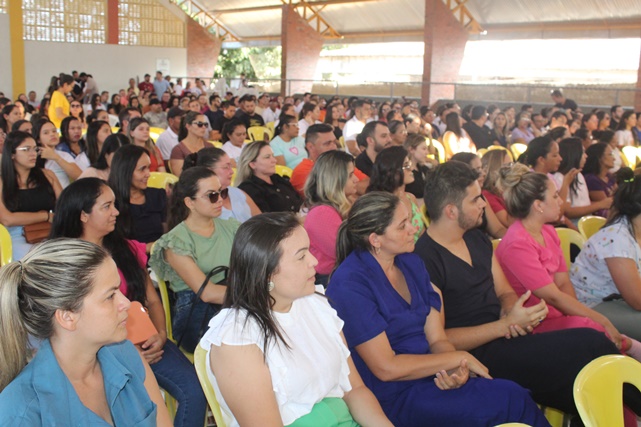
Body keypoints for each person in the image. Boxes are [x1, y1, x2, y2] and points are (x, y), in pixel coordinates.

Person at [414, 160, 641, 416]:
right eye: (476, 199)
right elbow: (441, 338)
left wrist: (512, 311)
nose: (484, 204)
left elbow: (505, 292)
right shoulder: (425, 259)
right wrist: (503, 325)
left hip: (507, 337)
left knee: (590, 354)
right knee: (588, 348)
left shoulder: (476, 238)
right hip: (477, 354)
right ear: (451, 211)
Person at [327, 192, 549, 427]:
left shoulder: (410, 262)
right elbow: (386, 368)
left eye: (410, 219)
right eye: (403, 226)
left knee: (513, 394)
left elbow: (437, 339)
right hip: (394, 397)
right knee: (510, 401)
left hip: (431, 379)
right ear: (375, 239)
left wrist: (455, 370)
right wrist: (455, 358)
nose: (414, 228)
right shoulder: (350, 284)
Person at [200, 213, 393, 427]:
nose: (314, 261)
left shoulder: (314, 303)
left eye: (309, 251)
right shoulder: (237, 339)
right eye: (301, 256)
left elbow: (354, 389)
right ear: (267, 274)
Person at [50, 178, 207, 426]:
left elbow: (153, 301)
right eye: (107, 206)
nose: (116, 211)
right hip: (98, 351)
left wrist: (161, 334)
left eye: (115, 204)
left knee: (194, 391)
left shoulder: (126, 249)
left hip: (147, 342)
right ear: (83, 215)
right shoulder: (64, 262)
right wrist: (126, 350)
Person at [0, 239, 172, 426]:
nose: (126, 303)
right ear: (67, 317)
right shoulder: (21, 413)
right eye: (110, 296)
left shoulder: (126, 355)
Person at [495, 165, 641, 355]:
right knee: (597, 332)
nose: (561, 201)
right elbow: (552, 296)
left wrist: (579, 315)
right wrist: (598, 319)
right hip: (535, 321)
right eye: (555, 196)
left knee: (592, 327)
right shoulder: (517, 244)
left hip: (558, 311)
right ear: (538, 205)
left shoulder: (547, 231)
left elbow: (563, 283)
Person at [149, 167, 239, 353]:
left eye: (222, 192)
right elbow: (206, 293)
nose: (220, 199)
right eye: (212, 196)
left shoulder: (232, 228)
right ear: (189, 202)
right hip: (198, 315)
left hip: (231, 304)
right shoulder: (176, 241)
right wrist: (256, 294)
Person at [0, 131, 62, 261]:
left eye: (35, 149)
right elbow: (7, 219)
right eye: (26, 149)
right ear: (12, 154)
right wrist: (45, 215)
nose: (33, 153)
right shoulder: (2, 182)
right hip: (17, 235)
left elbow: (64, 205)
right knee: (38, 260)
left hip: (51, 230)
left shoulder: (47, 175)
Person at [303, 150, 358, 286]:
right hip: (330, 280)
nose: (356, 179)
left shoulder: (341, 205)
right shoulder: (321, 213)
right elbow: (346, 251)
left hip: (343, 273)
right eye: (351, 175)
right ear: (335, 180)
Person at [109, 144, 167, 251]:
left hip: (160, 256)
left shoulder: (158, 195)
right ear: (125, 171)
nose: (148, 174)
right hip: (129, 261)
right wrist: (148, 247)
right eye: (142, 169)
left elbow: (168, 233)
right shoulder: (111, 203)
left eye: (148, 168)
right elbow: (113, 245)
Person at [182, 147, 260, 223]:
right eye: (226, 167)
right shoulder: (201, 202)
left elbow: (261, 220)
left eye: (231, 166)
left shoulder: (238, 193)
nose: (231, 172)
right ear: (209, 171)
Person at [367, 146, 425, 242]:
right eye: (406, 165)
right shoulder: (382, 204)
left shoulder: (410, 197)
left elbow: (422, 234)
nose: (411, 168)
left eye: (409, 163)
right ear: (392, 172)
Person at [552, 138, 612, 223]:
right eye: (583, 152)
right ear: (574, 154)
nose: (586, 156)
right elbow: (568, 211)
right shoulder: (560, 177)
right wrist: (600, 204)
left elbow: (584, 204)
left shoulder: (579, 175)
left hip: (587, 219)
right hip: (576, 223)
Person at [452, 152, 508, 239]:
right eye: (477, 169)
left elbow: (498, 229)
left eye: (482, 168)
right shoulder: (455, 200)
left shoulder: (482, 197)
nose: (484, 173)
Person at [236, 141, 303, 213]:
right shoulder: (249, 189)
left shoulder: (279, 179)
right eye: (267, 157)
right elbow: (265, 219)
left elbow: (300, 202)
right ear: (253, 164)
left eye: (273, 156)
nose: (274, 160)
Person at [33, 118, 81, 188]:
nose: (52, 134)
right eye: (46, 133)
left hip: (64, 197)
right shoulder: (33, 156)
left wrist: (56, 157)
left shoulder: (64, 155)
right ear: (38, 139)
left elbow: (79, 176)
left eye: (54, 131)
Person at [170, 111, 214, 176]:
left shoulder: (210, 147)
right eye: (200, 124)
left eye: (206, 124)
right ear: (188, 126)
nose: (204, 127)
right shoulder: (178, 150)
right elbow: (181, 176)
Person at [583, 142, 616, 218]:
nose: (614, 158)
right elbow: (609, 205)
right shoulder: (591, 180)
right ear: (600, 158)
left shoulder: (609, 176)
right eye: (610, 154)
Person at [403, 133, 437, 200]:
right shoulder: (406, 174)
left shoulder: (425, 169)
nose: (427, 152)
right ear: (411, 150)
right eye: (424, 149)